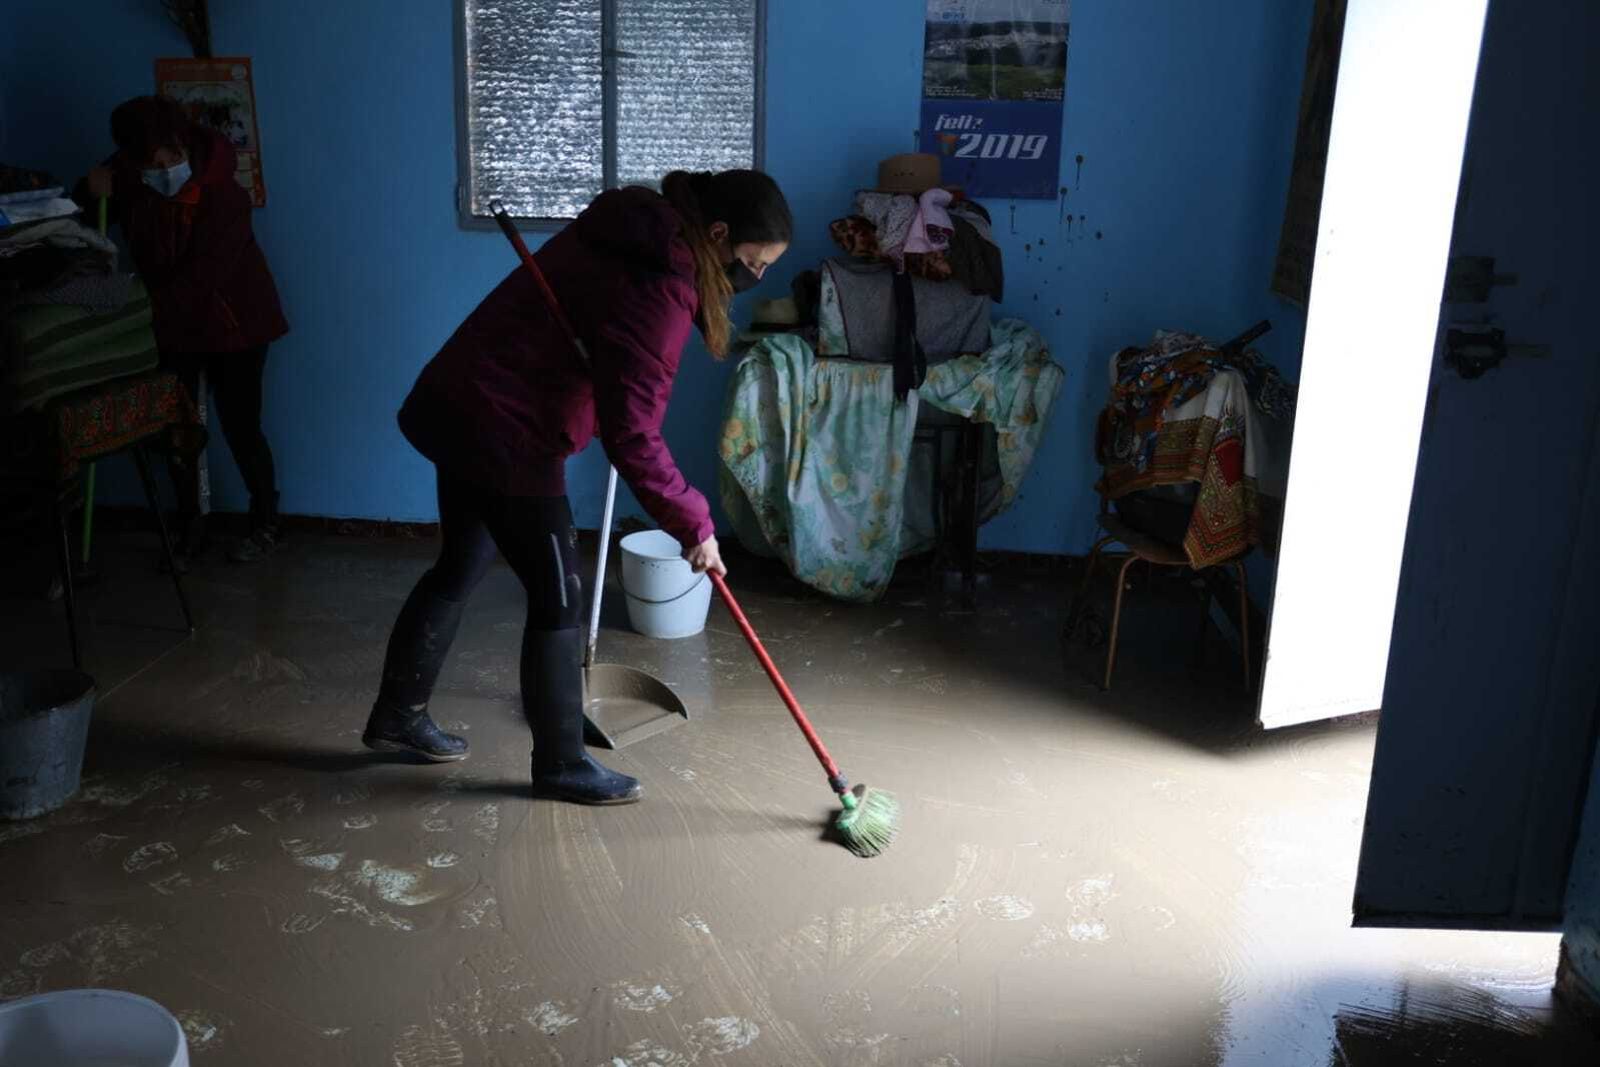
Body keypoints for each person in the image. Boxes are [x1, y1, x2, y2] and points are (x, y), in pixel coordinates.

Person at [366, 170, 792, 805]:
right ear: (719, 233)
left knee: (461, 563)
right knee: (559, 598)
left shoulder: (631, 227)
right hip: (507, 429)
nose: (752, 277)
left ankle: (397, 715)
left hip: (463, 403)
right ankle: (561, 764)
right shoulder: (660, 282)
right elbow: (634, 435)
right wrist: (694, 523)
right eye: (752, 262)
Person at [82, 95, 288, 565]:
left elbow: (203, 277)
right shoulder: (131, 174)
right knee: (179, 430)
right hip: (173, 325)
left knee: (241, 426)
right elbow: (88, 211)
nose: (162, 171)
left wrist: (136, 306)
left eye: (168, 160)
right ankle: (192, 525)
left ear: (181, 143)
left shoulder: (225, 195)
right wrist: (88, 190)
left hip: (236, 325)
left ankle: (266, 522)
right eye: (150, 165)